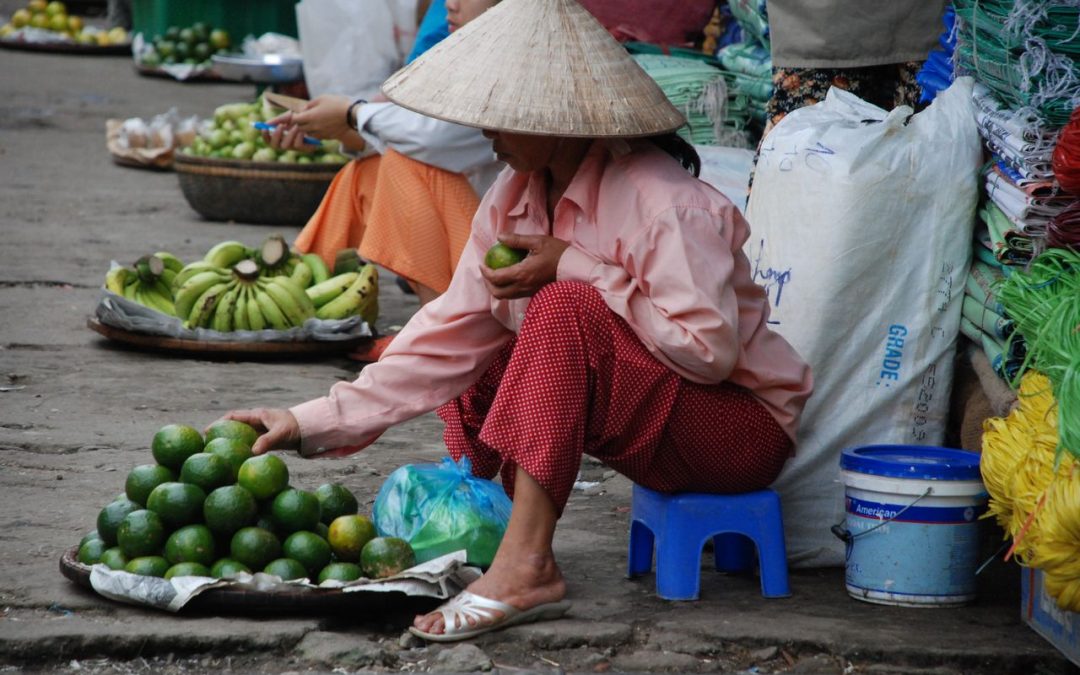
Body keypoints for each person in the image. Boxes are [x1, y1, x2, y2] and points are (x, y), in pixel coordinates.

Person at [222, 0, 813, 642]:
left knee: (561, 308)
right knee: (491, 338)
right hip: (653, 418)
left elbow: (709, 353)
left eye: (501, 116)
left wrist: (579, 268)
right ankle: (483, 524)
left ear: (556, 121)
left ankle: (528, 565)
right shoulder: (513, 196)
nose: (485, 132)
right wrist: (309, 420)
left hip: (737, 432)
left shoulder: (663, 203)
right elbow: (449, 332)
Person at [267, 0, 502, 307]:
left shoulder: (511, 71)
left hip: (503, 262)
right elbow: (412, 126)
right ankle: (297, 279)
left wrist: (352, 115)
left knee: (403, 164)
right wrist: (338, 129)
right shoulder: (468, 57)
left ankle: (439, 333)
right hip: (477, 233)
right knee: (367, 172)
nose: (450, 5)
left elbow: (435, 138)